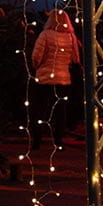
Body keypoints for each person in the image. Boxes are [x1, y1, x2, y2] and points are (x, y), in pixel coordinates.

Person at [29, 9, 81, 150]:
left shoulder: (45, 35)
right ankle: (58, 139)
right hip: (63, 79)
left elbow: (36, 56)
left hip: (45, 78)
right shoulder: (71, 37)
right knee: (60, 110)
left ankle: (37, 140)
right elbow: (76, 58)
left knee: (40, 109)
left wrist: (38, 66)